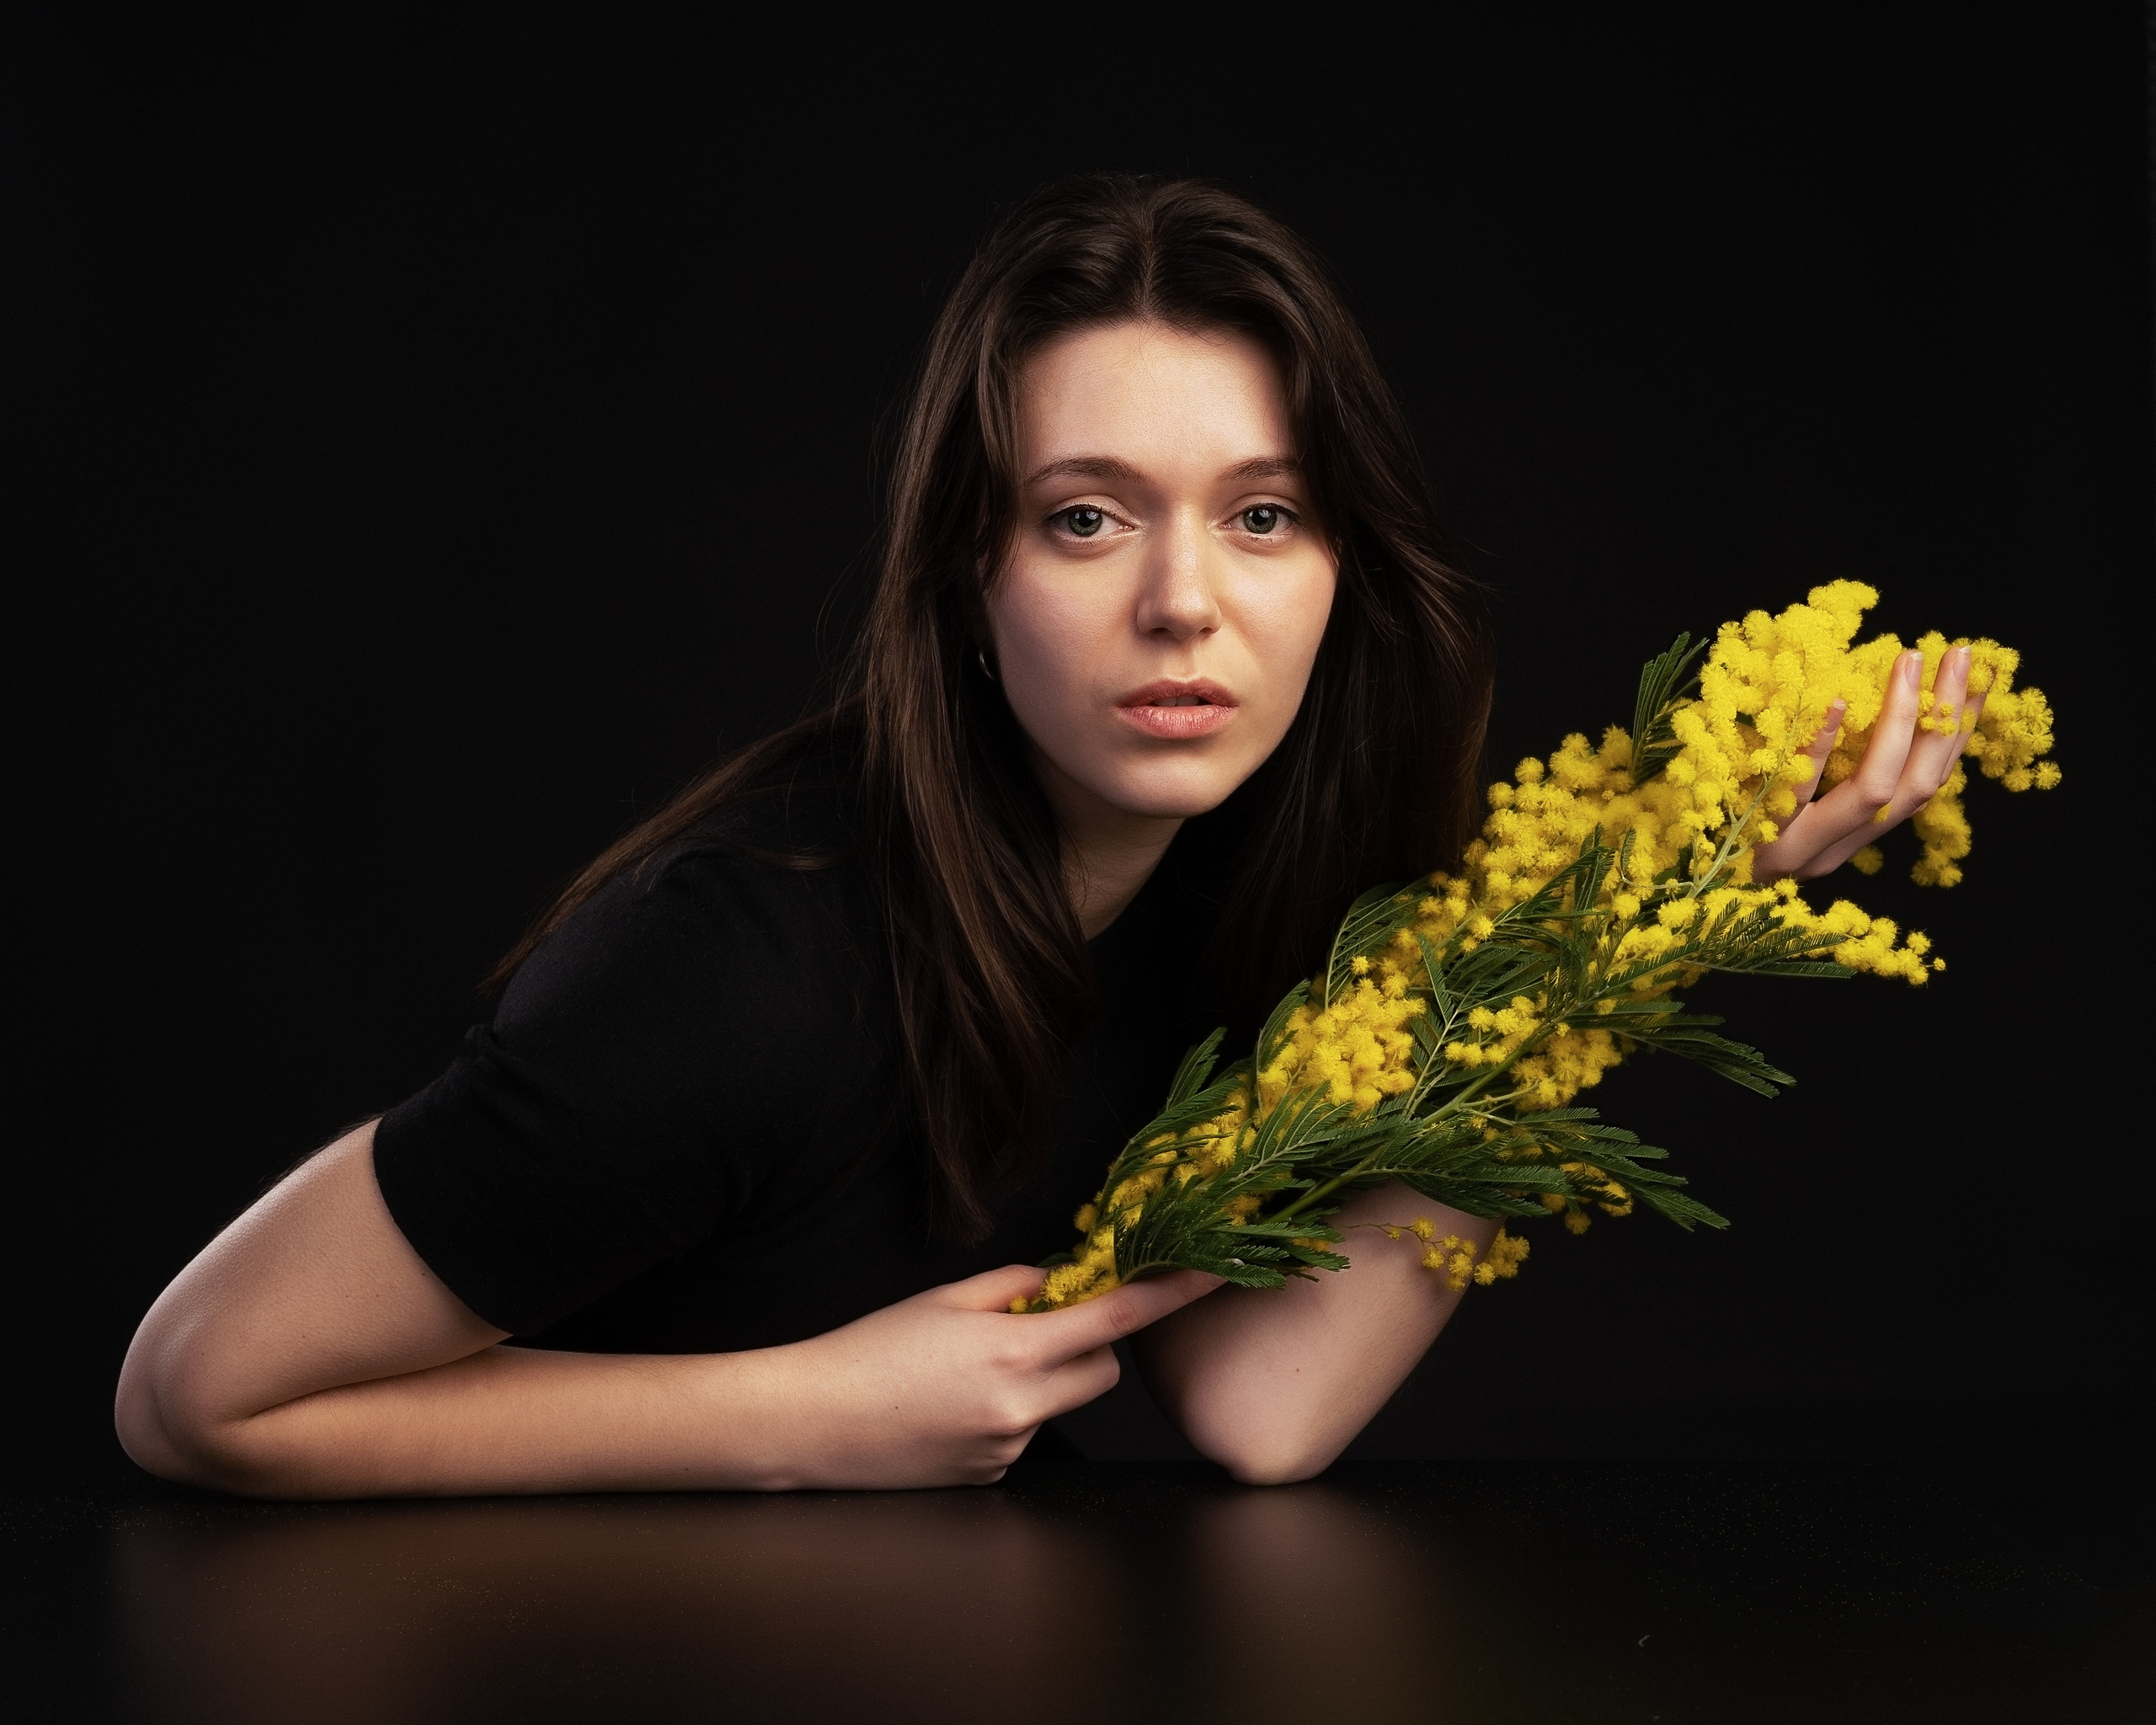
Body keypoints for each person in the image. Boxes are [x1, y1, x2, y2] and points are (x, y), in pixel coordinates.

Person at [114, 176, 1981, 1498]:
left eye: (1262, 517)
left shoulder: (1236, 893)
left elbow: (1256, 1407)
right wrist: (794, 1413)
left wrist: (1659, 919)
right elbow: (196, 1395)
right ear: (965, 574)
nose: (1185, 604)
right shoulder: (740, 966)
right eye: (1089, 519)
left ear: (1343, 572)